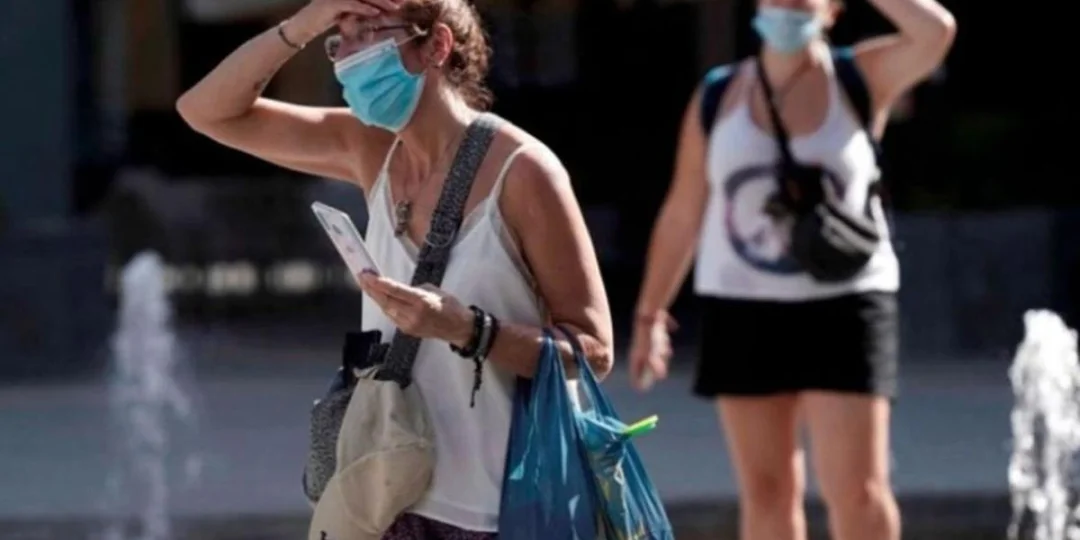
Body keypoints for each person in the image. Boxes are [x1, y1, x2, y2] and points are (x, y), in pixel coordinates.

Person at [176, 0, 613, 538]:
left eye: (366, 32)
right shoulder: (370, 148)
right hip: (389, 498)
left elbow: (594, 350)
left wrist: (469, 329)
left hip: (505, 508)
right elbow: (205, 111)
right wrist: (305, 23)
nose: (346, 56)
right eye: (339, 38)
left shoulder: (524, 171)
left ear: (436, 46)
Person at [629, 0, 955, 539]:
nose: (785, 7)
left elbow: (935, 31)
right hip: (742, 306)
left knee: (858, 490)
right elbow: (684, 210)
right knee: (767, 492)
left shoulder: (858, 76)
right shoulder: (719, 93)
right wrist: (650, 316)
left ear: (831, 11)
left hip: (846, 304)